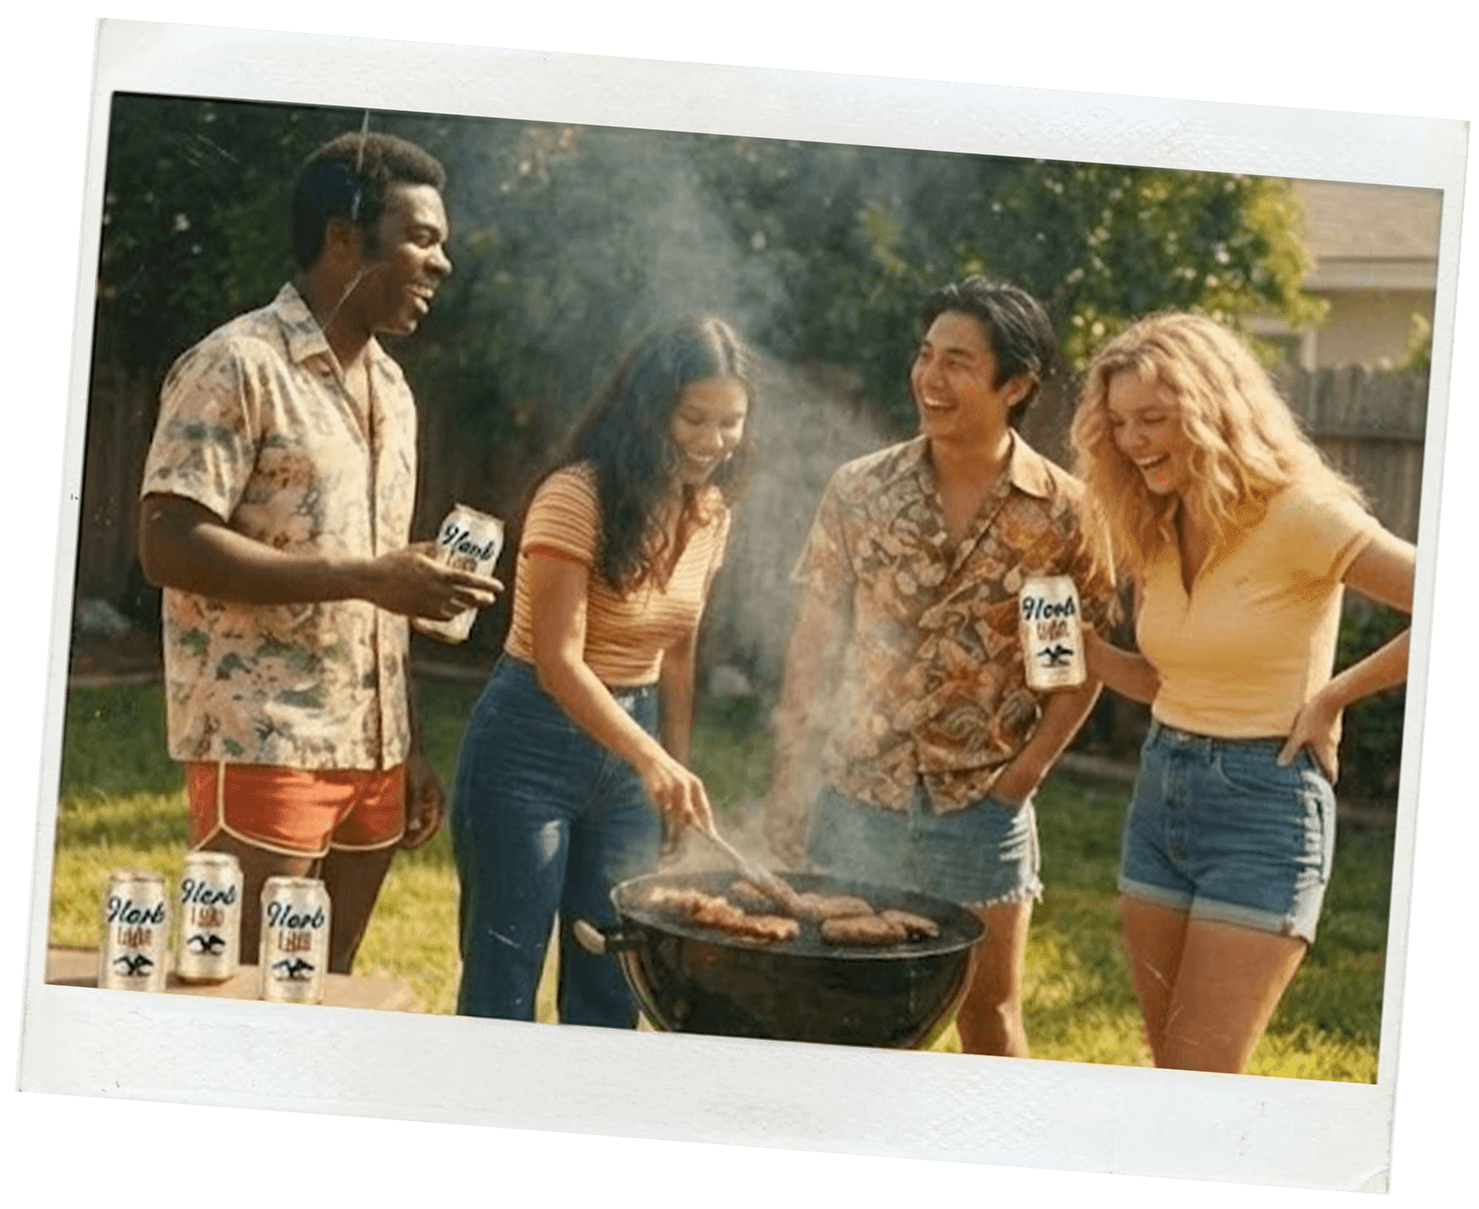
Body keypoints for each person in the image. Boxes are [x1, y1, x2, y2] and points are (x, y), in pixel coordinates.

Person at [138, 131, 501, 974]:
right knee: (231, 989)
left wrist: (403, 743)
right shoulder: (237, 364)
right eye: (421, 237)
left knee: (321, 995)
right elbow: (167, 539)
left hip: (371, 754)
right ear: (343, 236)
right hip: (266, 740)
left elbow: (384, 584)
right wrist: (372, 577)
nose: (441, 262)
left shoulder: (393, 390)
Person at [763, 276, 1113, 1057]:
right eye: (924, 356)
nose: (929, 377)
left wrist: (1020, 777)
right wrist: (792, 778)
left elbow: (1068, 660)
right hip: (858, 798)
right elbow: (812, 643)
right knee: (848, 1014)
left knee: (987, 1017)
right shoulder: (860, 491)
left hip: (980, 812)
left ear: (1015, 383)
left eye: (957, 361)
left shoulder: (1059, 512)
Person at [1069, 312, 1415, 1074]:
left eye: (1154, 419)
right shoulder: (1159, 518)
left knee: (1202, 1070)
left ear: (1213, 409)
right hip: (1160, 794)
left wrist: (1331, 697)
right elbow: (1169, 682)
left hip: (1264, 804)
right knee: (1171, 1069)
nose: (1132, 441)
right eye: (1120, 422)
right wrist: (1088, 654)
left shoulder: (1298, 511)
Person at [451, 315, 755, 1027]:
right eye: (694, 419)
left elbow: (677, 648)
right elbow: (558, 659)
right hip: (528, 740)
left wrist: (672, 769)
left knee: (613, 978)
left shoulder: (710, 510)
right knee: (504, 975)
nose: (713, 442)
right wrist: (649, 756)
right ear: (649, 408)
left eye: (731, 422)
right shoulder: (574, 495)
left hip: (630, 750)